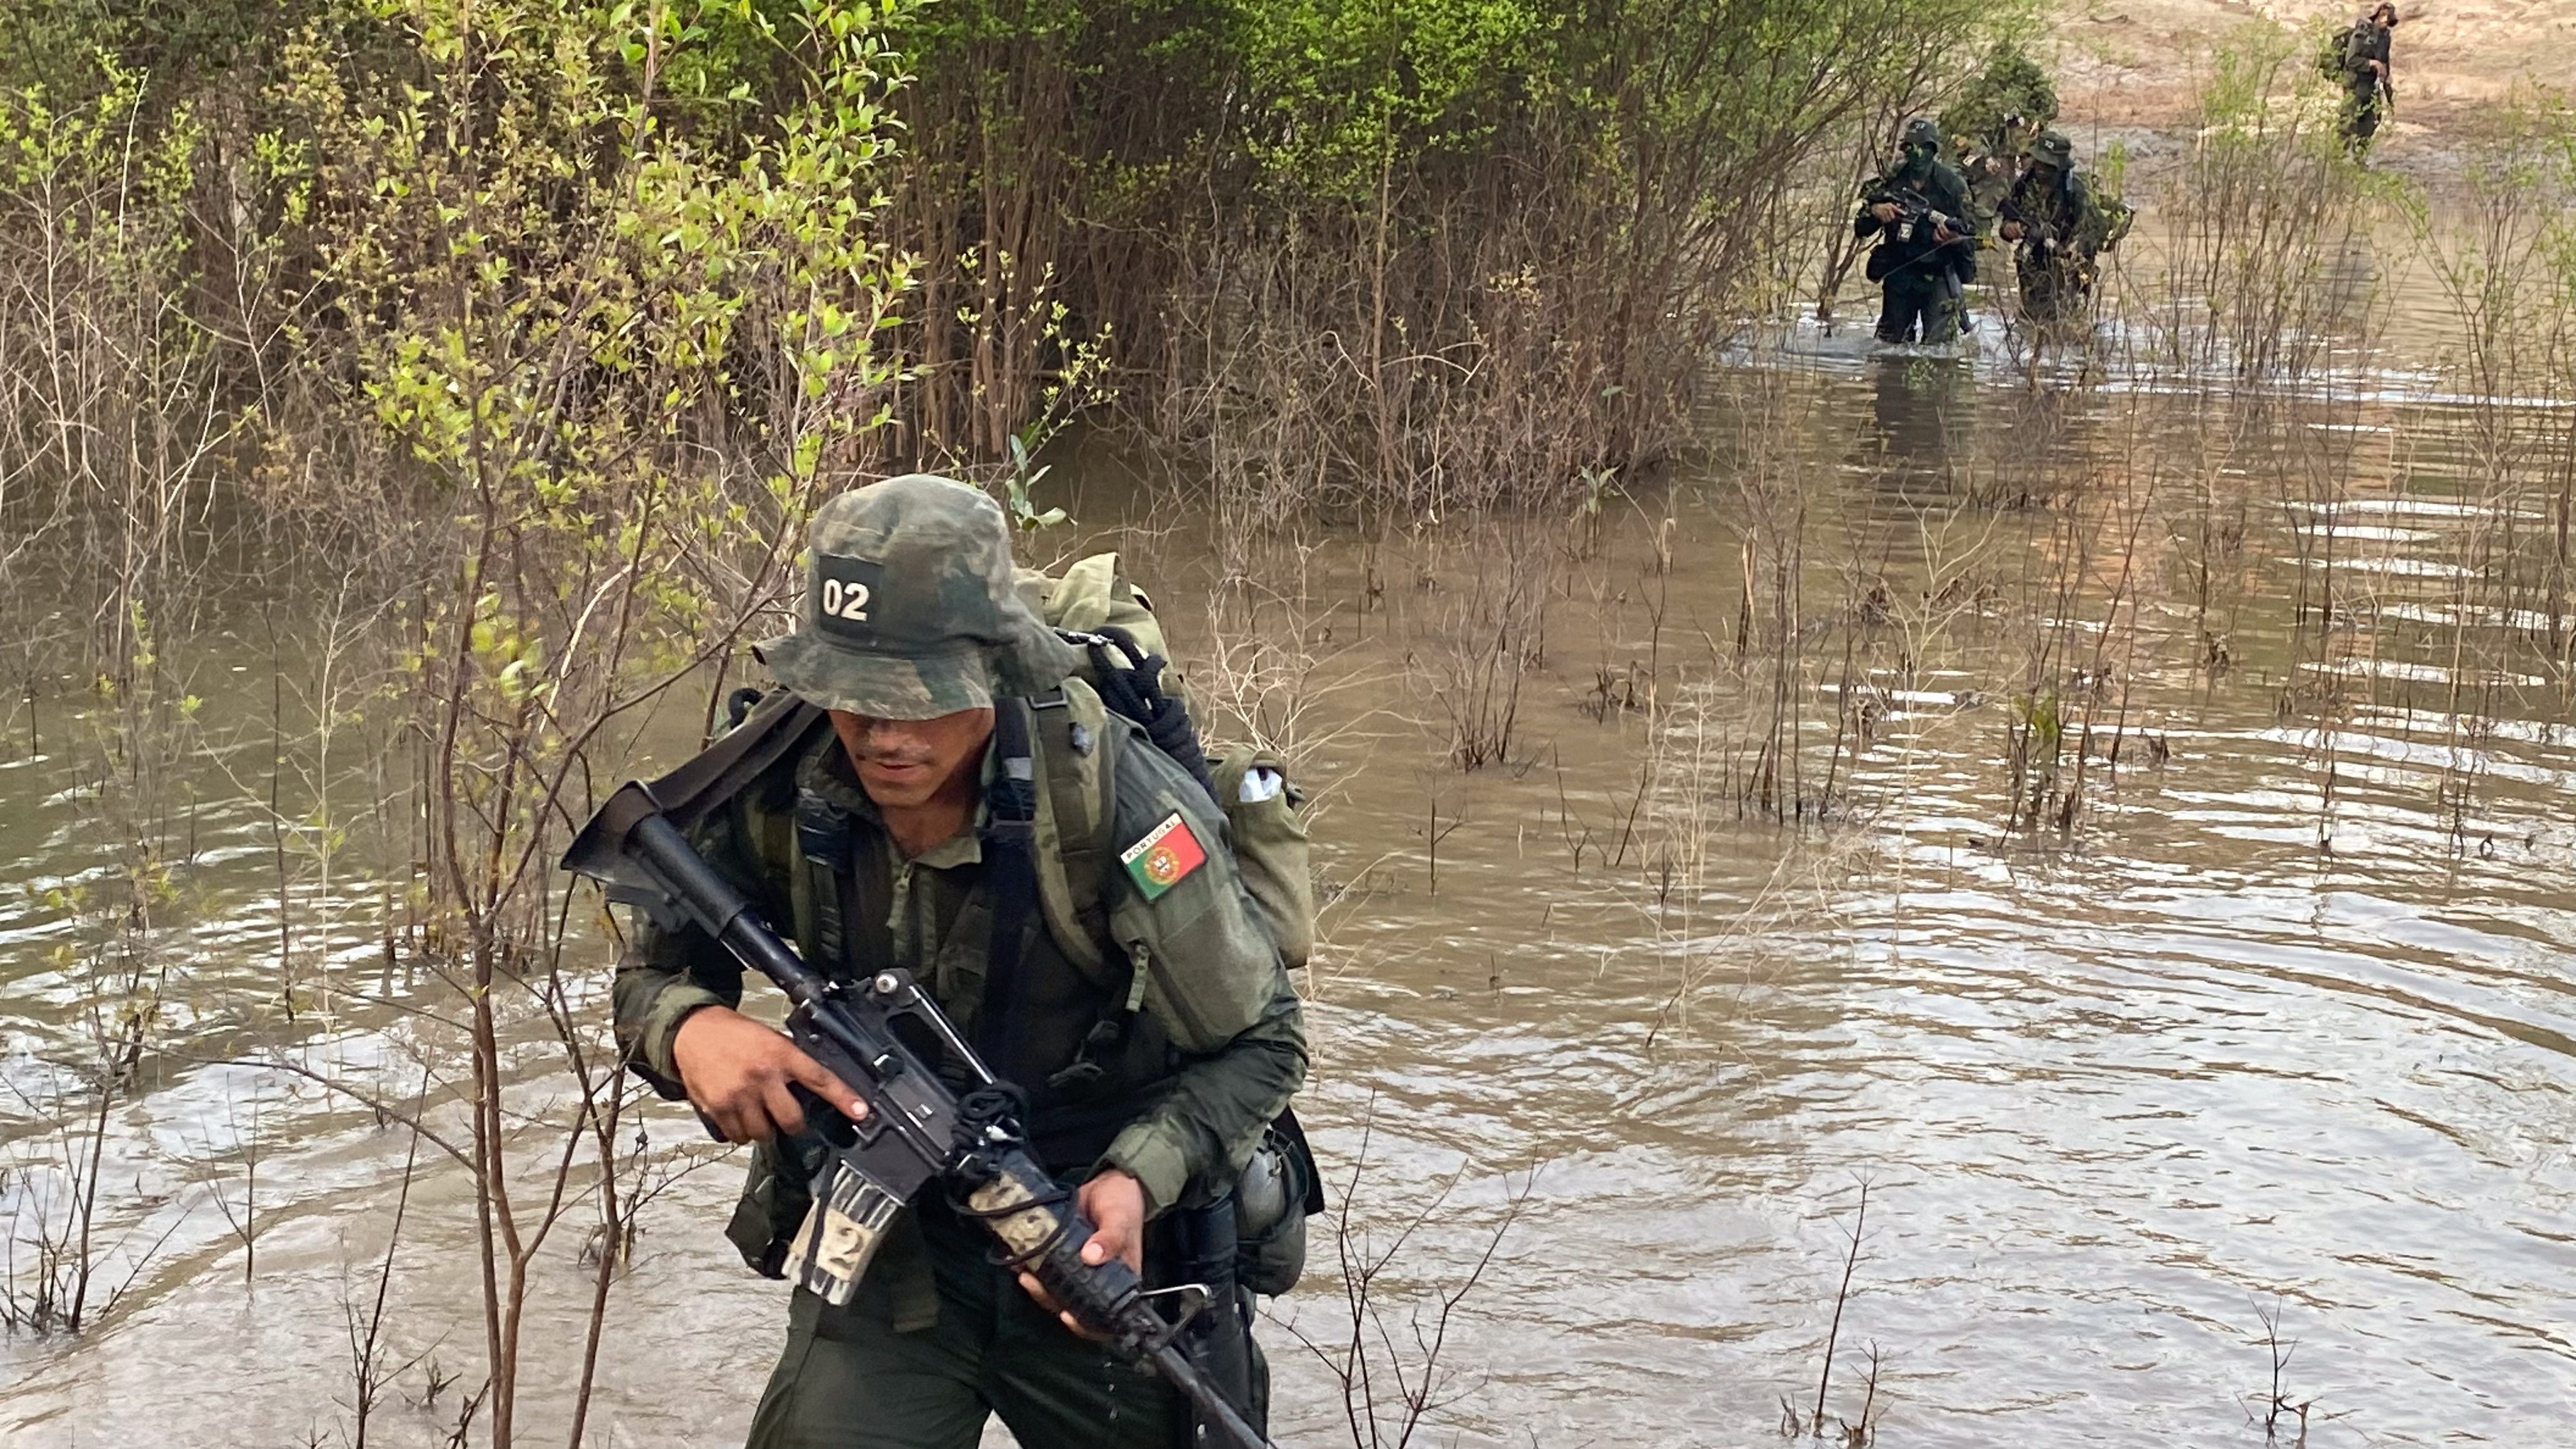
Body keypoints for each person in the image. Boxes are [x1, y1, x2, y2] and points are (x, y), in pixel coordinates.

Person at [611, 473, 1308, 1449]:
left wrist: (1138, 1180)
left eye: (921, 700)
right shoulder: (767, 778)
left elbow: (1267, 1044)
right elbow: (649, 978)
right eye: (857, 698)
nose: (884, 734)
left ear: (995, 670)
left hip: (1092, 1239)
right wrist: (691, 1028)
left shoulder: (1113, 803)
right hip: (896, 1251)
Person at [1855, 117, 1986, 346]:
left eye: (1924, 149)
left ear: (1933, 151)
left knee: (1940, 349)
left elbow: (1977, 233)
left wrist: (1954, 239)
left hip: (1938, 273)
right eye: (1911, 148)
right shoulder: (1891, 180)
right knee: (1888, 347)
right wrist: (1876, 210)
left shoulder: (1953, 185)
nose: (1917, 155)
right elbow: (1861, 226)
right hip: (1899, 271)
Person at [1998, 130, 2113, 326]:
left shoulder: (2076, 190)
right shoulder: (2025, 183)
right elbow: (2008, 215)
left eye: (2048, 164)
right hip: (2033, 262)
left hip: (2069, 265)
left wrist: (2069, 252)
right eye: (2040, 161)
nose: (2041, 168)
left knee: (2068, 323)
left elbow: (2093, 232)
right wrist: (2009, 228)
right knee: (2031, 322)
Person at [2338, 4, 2398, 159]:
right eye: (2383, 16)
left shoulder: (2385, 38)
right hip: (2356, 85)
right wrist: (2372, 63)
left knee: (2371, 122)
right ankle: (2340, 160)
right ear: (2377, 16)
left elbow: (2385, 63)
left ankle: (2359, 157)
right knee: (2348, 123)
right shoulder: (2361, 34)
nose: (2385, 20)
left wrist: (2387, 88)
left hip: (2372, 85)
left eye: (2388, 17)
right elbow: (2351, 60)